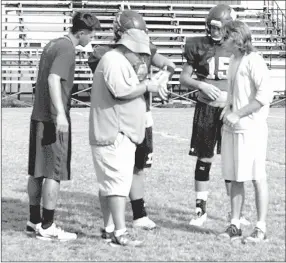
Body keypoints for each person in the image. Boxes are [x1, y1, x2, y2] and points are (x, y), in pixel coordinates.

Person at [88, 10, 176, 232]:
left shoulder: (144, 50)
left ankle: (139, 214)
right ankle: (114, 225)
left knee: (138, 165)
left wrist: (161, 79)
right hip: (118, 117)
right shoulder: (107, 55)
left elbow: (169, 65)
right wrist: (148, 84)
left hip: (141, 113)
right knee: (117, 173)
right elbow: (120, 88)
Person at [26, 12, 101, 241]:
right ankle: (48, 226)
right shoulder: (68, 48)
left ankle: (34, 220)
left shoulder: (53, 44)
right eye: (91, 34)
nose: (92, 39)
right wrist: (60, 113)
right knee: (53, 173)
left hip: (38, 116)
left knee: (37, 171)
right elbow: (53, 79)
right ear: (81, 33)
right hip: (51, 119)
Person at [180, 4, 250, 227]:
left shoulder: (235, 46)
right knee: (204, 158)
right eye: (212, 27)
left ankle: (235, 213)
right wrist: (201, 84)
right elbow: (184, 78)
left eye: (220, 27)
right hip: (207, 108)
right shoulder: (198, 45)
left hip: (229, 110)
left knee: (232, 160)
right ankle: (200, 211)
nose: (215, 32)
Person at [218, 20, 272, 243]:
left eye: (225, 37)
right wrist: (227, 107)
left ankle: (261, 228)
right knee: (235, 177)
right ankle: (235, 224)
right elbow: (234, 93)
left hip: (252, 130)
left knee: (257, 177)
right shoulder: (233, 60)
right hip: (233, 129)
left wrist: (238, 113)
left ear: (237, 38)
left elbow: (264, 96)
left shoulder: (255, 60)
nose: (222, 41)